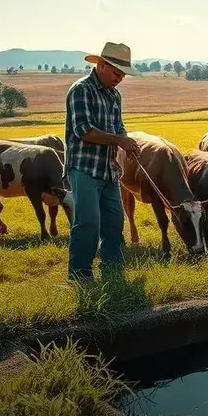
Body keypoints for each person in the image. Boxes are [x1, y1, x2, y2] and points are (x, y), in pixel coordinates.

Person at [64, 41, 140, 281]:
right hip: (85, 168)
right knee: (88, 223)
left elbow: (119, 127)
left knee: (114, 222)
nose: (120, 79)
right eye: (117, 73)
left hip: (109, 170)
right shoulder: (81, 90)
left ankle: (112, 270)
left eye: (123, 75)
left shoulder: (114, 96)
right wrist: (119, 140)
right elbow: (84, 130)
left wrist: (126, 141)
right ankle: (80, 274)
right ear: (102, 65)